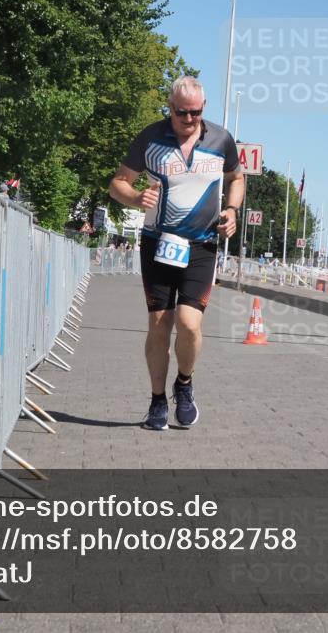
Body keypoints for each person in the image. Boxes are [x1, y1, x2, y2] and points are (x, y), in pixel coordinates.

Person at [109, 76, 244, 430]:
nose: (189, 120)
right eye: (182, 112)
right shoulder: (151, 138)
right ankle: (157, 402)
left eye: (196, 113)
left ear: (204, 109)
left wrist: (232, 210)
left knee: (188, 323)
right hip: (158, 242)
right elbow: (118, 183)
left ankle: (184, 383)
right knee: (158, 323)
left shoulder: (221, 139)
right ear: (169, 107)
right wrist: (136, 197)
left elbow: (237, 178)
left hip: (202, 245)